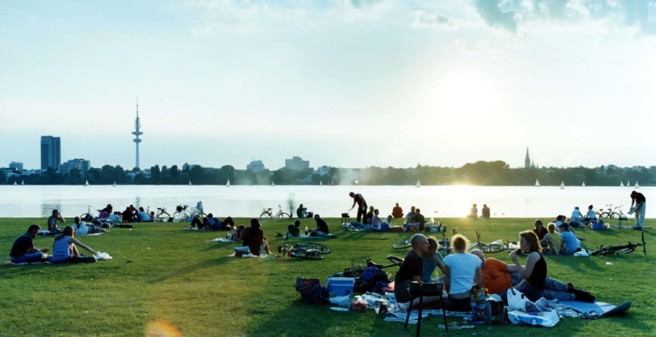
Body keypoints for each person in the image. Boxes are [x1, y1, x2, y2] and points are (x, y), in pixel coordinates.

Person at [470, 249, 594, 302]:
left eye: (483, 256)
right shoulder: (474, 274)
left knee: (543, 280)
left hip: (514, 278)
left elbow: (509, 268)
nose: (483, 260)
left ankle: (573, 290)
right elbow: (481, 293)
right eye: (480, 258)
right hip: (509, 291)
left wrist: (528, 269)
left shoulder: (491, 261)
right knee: (543, 293)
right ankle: (572, 296)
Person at [393, 234, 440, 309]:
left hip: (404, 289)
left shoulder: (412, 255)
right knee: (440, 295)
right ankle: (407, 304)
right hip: (405, 292)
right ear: (419, 244)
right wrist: (432, 289)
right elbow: (418, 284)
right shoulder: (414, 259)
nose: (428, 245)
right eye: (426, 243)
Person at [503, 231, 547, 302]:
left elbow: (525, 276)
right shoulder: (533, 254)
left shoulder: (533, 255)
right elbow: (527, 279)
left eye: (522, 241)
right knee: (507, 292)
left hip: (533, 291)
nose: (520, 244)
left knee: (504, 296)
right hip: (531, 287)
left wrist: (515, 261)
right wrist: (516, 287)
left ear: (529, 243)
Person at [443, 234, 483, 311]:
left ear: (453, 246)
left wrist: (449, 294)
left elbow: (447, 283)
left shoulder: (448, 259)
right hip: (468, 301)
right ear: (466, 245)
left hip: (453, 300)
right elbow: (479, 283)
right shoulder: (475, 259)